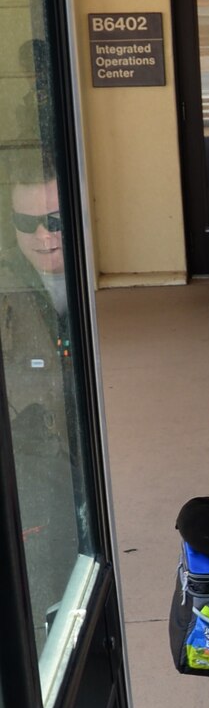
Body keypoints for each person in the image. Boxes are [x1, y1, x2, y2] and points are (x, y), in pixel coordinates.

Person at [4, 168, 81, 631]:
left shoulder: (86, 269)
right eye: (24, 219)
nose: (41, 234)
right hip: (30, 466)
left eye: (53, 220)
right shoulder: (6, 286)